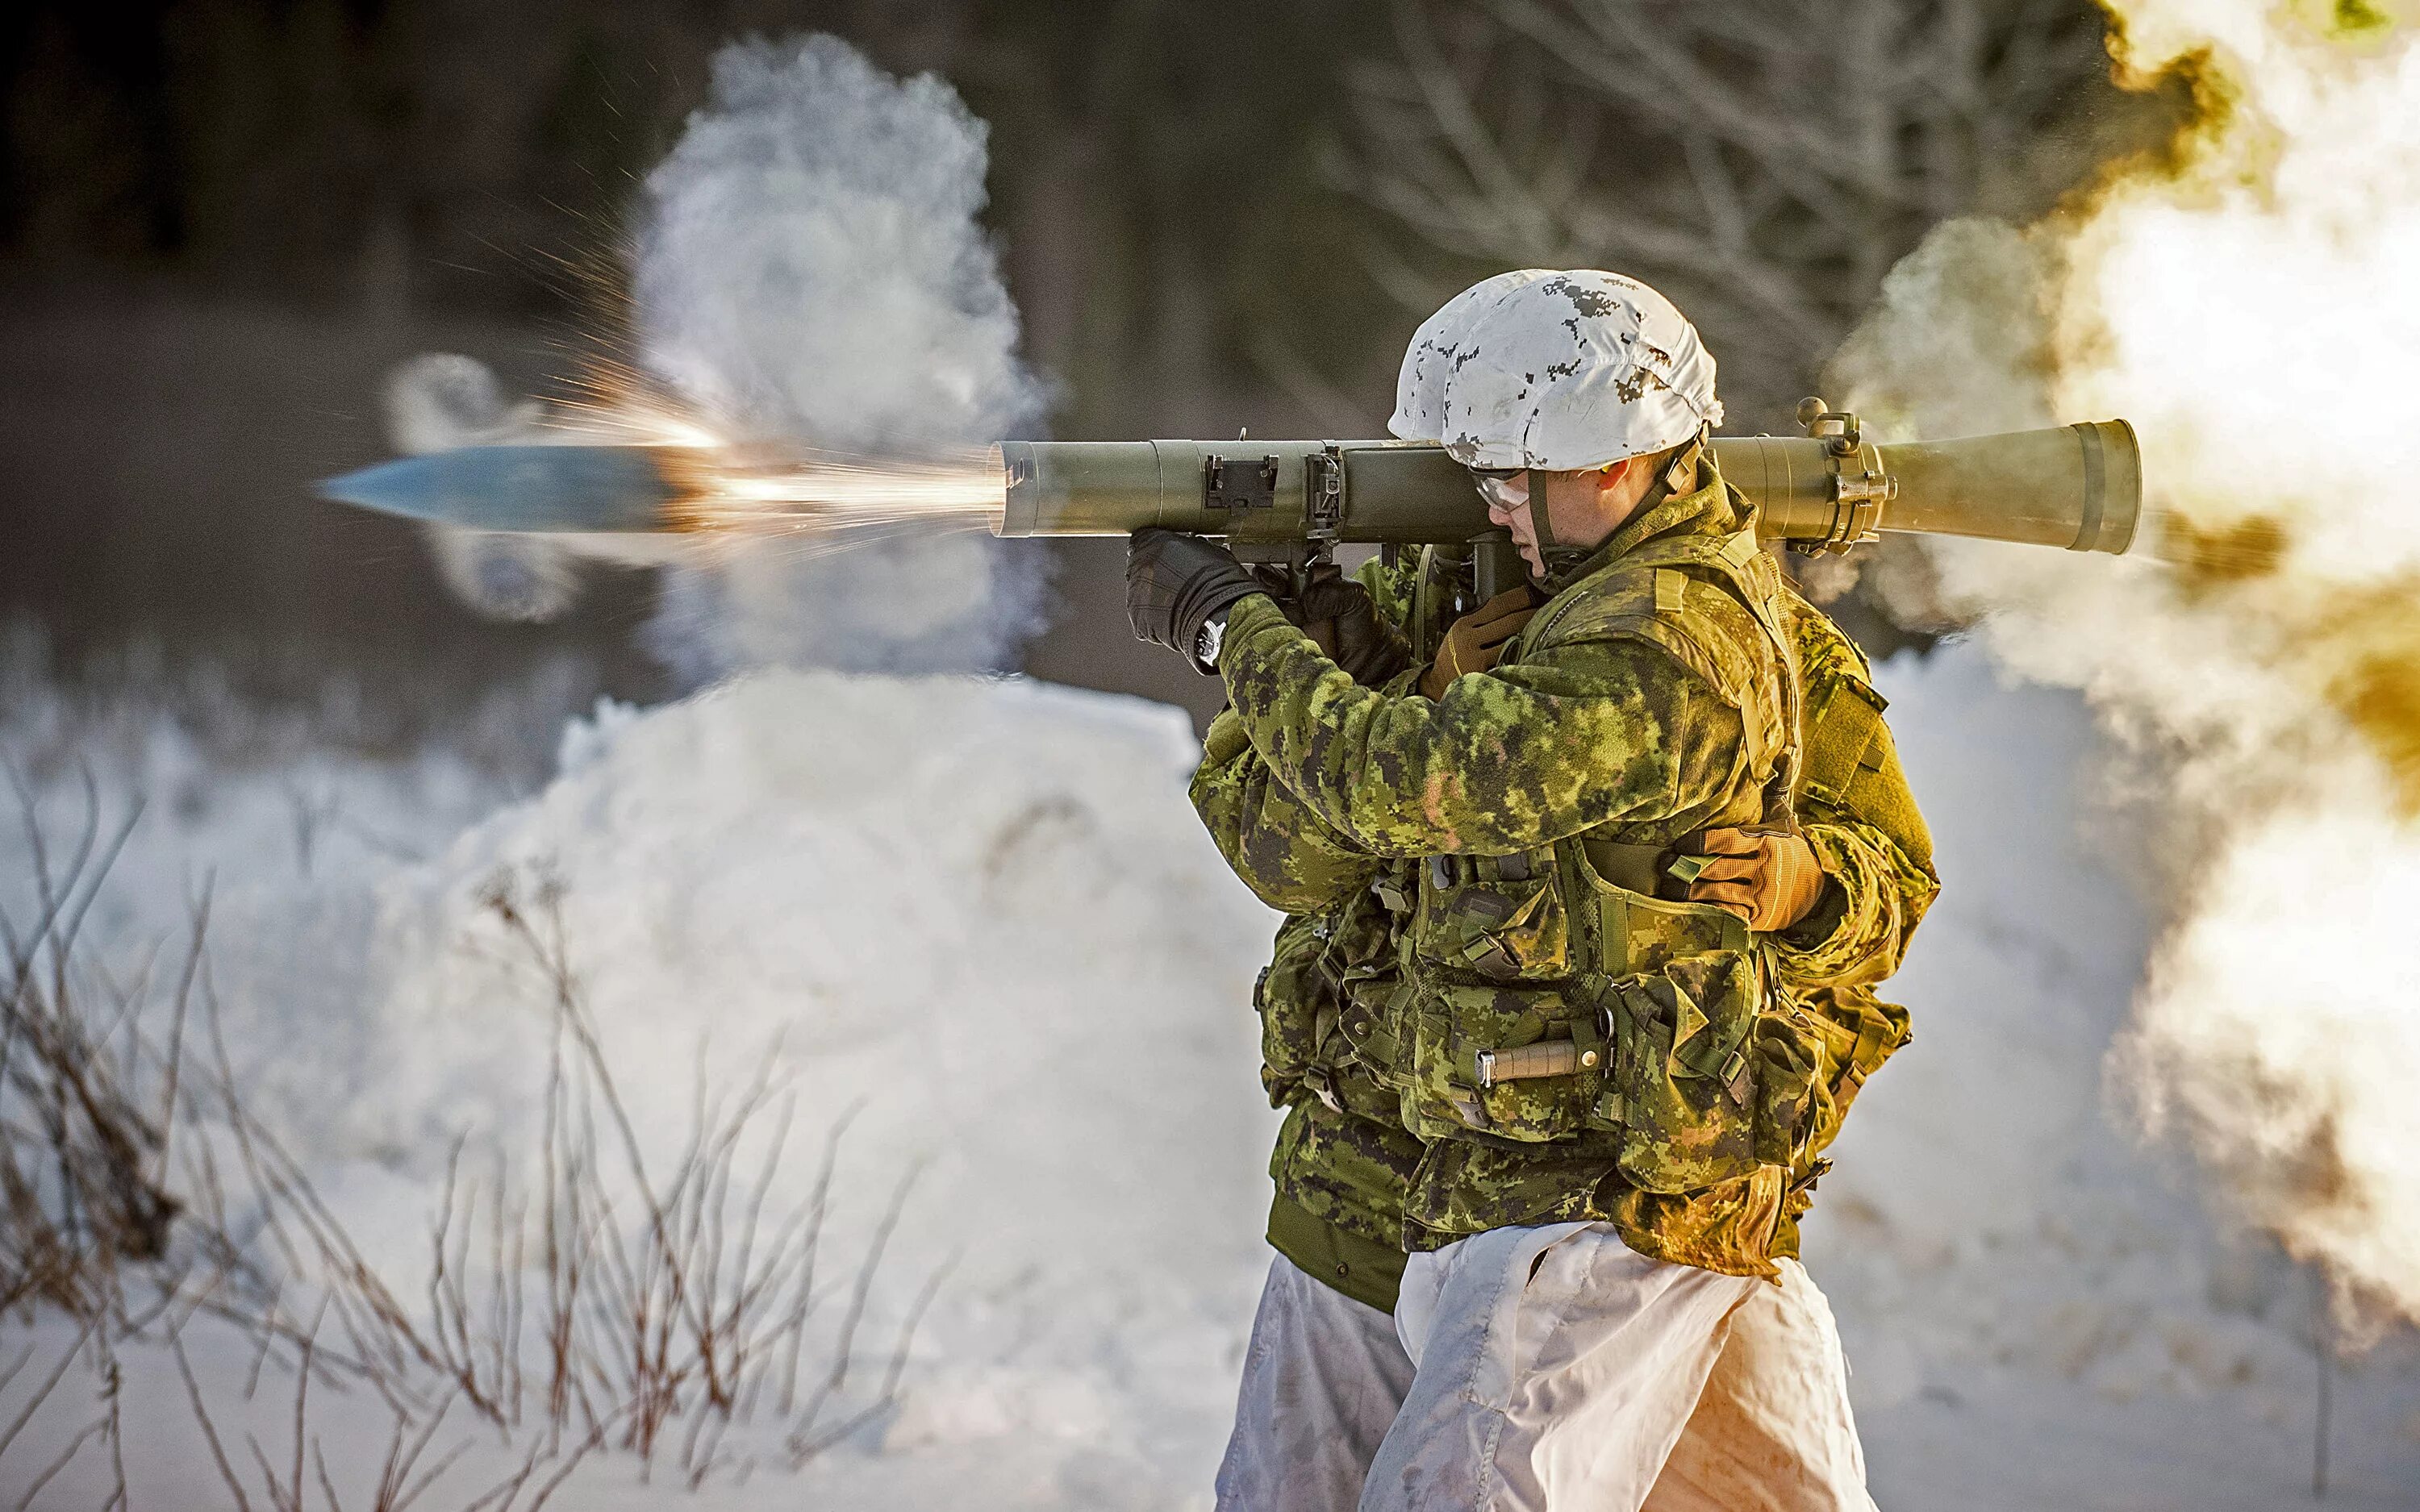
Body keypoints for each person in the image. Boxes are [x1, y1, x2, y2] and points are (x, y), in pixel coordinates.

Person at [1129, 270, 1937, 1511]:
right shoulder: (1470, 583)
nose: (1489, 500)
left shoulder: (1684, 639)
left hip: (1592, 1189)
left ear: (1617, 464)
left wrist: (1238, 635)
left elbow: (1417, 785)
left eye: (1516, 472)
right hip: (1386, 1165)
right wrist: (1390, 684)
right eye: (1479, 472)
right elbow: (1284, 855)